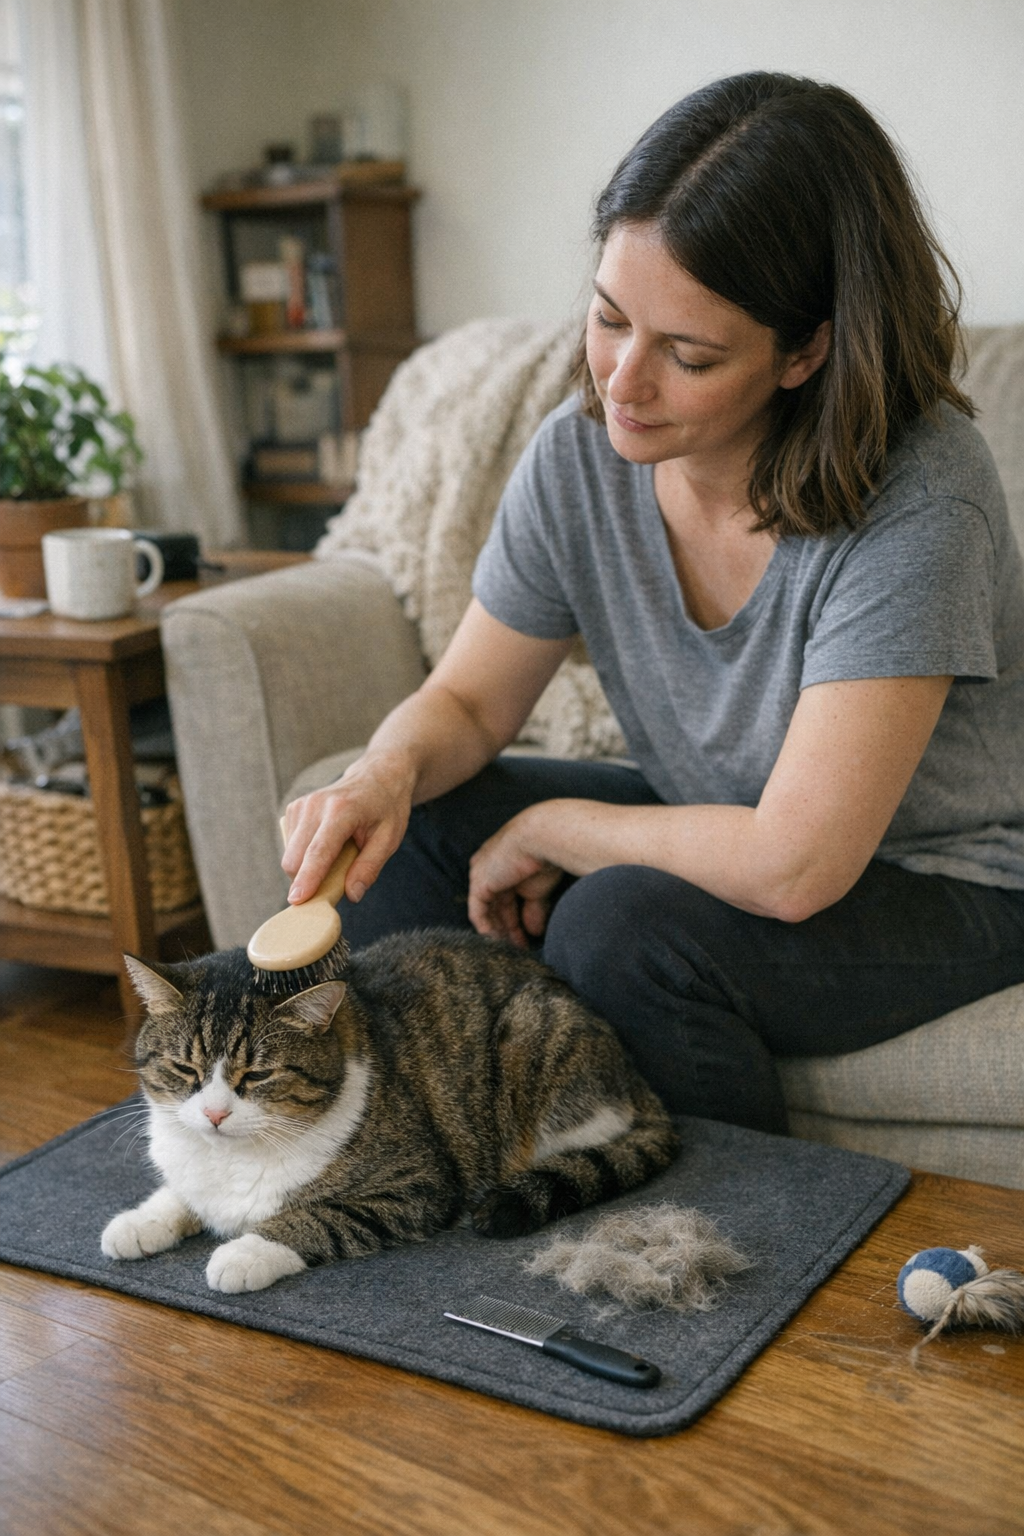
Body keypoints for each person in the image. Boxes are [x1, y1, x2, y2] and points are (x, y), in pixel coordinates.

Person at [280, 72, 1024, 1135]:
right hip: (722, 825)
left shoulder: (920, 493)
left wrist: (561, 826)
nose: (624, 382)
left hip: (946, 880)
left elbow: (796, 864)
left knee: (623, 923)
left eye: (688, 355)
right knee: (411, 825)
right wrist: (380, 773)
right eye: (608, 319)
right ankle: (417, 1165)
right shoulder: (579, 457)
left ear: (804, 351)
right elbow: (472, 705)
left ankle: (731, 1251)